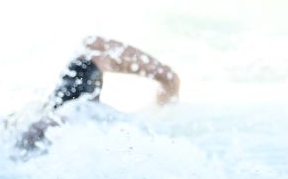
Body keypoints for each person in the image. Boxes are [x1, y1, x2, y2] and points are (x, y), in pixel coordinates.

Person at [16, 36, 181, 154]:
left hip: (64, 123)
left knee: (92, 46)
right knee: (92, 46)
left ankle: (165, 106)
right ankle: (166, 104)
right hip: (66, 124)